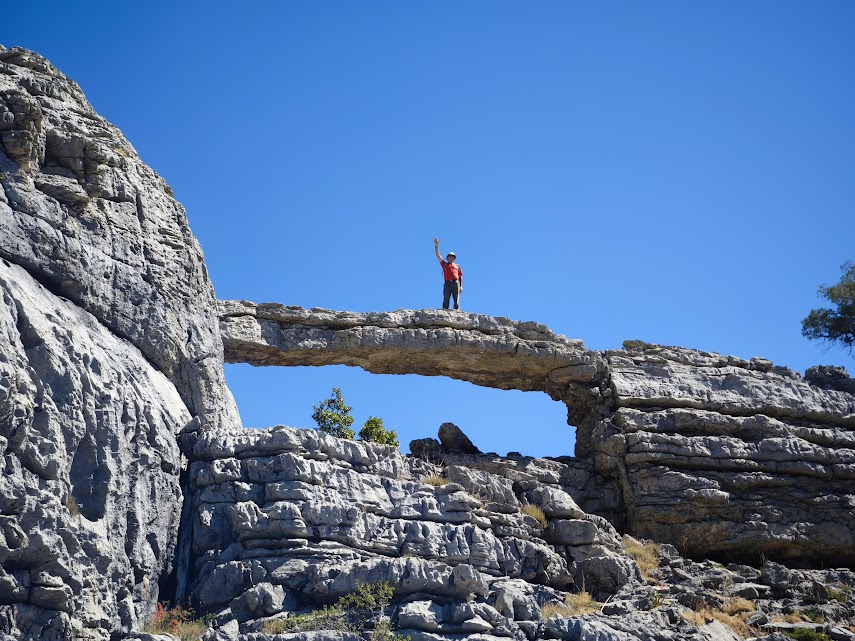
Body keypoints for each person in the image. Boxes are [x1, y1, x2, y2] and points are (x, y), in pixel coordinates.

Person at [434, 237, 463, 310]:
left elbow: (460, 277)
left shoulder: (457, 266)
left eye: (453, 256)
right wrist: (436, 246)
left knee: (456, 299)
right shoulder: (444, 264)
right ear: (447, 258)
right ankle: (445, 310)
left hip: (456, 283)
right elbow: (438, 256)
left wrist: (461, 286)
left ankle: (457, 311)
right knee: (446, 298)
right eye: (450, 256)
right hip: (447, 283)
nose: (451, 257)